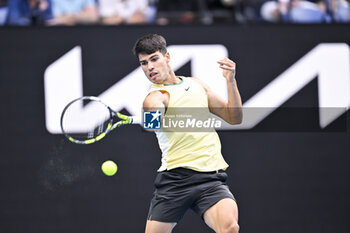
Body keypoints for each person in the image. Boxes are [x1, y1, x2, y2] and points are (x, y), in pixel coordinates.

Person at [133, 34, 242, 233]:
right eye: (144, 63)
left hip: (210, 179)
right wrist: (154, 114)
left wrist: (231, 81)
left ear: (167, 57)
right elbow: (152, 120)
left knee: (230, 228)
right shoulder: (155, 96)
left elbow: (234, 117)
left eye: (154, 59)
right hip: (175, 180)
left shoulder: (196, 84)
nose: (149, 67)